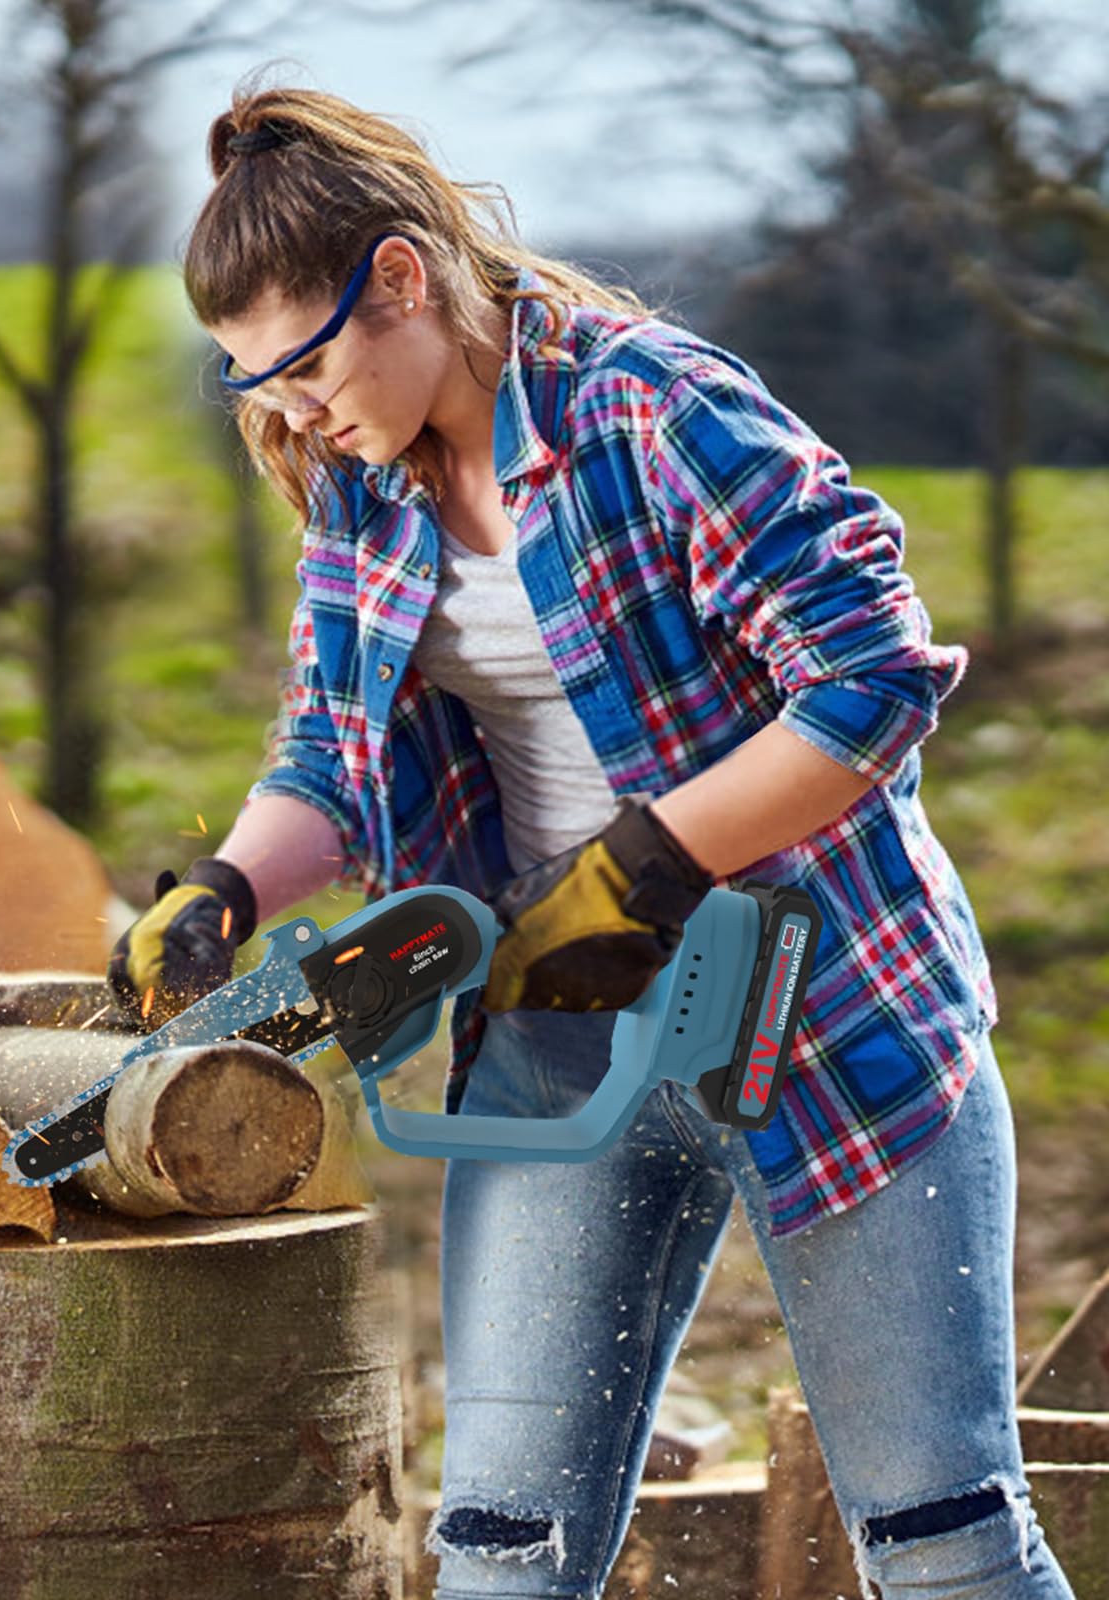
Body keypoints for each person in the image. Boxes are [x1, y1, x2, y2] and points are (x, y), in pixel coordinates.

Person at [107, 79, 1076, 1600]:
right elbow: (327, 750)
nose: (289, 413)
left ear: (402, 280)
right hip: (561, 1028)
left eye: (295, 365)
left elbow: (872, 674)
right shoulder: (364, 486)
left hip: (823, 1018)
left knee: (937, 1540)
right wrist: (231, 884)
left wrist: (650, 861)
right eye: (252, 388)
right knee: (501, 1550)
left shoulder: (652, 404)